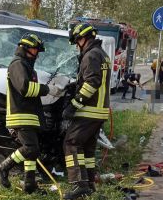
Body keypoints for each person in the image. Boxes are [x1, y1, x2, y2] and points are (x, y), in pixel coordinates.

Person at [0, 33, 62, 194]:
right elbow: (24, 88)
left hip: (29, 116)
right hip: (20, 115)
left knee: (34, 151)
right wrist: (48, 89)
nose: (37, 53)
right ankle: (3, 168)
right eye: (36, 49)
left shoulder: (27, 66)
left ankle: (29, 185)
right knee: (30, 148)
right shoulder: (17, 64)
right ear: (26, 48)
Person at [61, 22, 111, 199]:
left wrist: (74, 105)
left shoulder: (90, 56)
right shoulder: (101, 54)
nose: (77, 45)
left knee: (71, 143)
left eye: (77, 41)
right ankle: (89, 184)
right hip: (99, 111)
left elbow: (92, 83)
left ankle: (78, 185)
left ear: (83, 38)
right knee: (87, 150)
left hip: (88, 110)